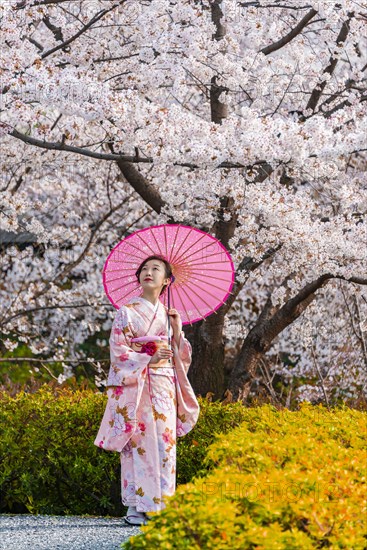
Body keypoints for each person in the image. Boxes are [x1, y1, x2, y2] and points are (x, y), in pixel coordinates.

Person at [94, 254, 200, 525]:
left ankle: (164, 505)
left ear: (167, 281)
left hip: (164, 385)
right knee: (137, 442)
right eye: (144, 269)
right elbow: (118, 352)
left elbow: (182, 356)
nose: (148, 272)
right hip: (137, 386)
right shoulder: (126, 312)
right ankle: (136, 506)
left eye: (156, 269)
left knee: (165, 444)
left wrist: (176, 332)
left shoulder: (168, 315)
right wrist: (146, 359)